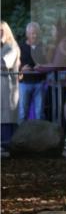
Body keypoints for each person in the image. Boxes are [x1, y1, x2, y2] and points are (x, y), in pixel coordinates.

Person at [18, 22, 47, 122]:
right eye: (31, 33)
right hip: (24, 83)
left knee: (40, 113)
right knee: (23, 113)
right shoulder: (20, 47)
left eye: (35, 33)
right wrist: (21, 69)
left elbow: (48, 62)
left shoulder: (43, 46)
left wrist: (42, 66)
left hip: (40, 82)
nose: (33, 35)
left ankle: (39, 136)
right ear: (27, 34)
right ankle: (22, 136)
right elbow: (15, 63)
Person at [1, 21, 21, 149]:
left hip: (7, 89)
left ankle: (7, 146)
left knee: (6, 119)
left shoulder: (12, 46)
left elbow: (4, 64)